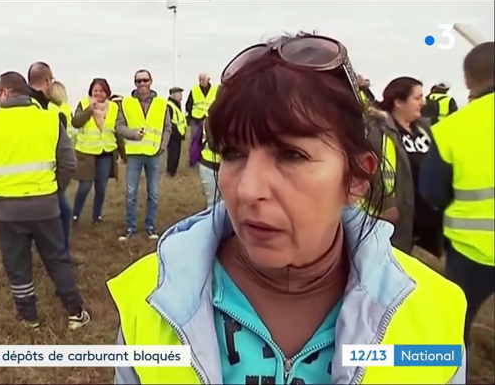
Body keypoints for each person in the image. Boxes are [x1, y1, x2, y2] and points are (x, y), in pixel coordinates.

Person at [107, 33, 466, 384]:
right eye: (232, 153)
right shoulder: (151, 299)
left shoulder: (432, 315)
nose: (248, 190)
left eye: (291, 155)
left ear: (357, 178)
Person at [0, 71, 90, 330]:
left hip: (7, 210)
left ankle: (29, 318)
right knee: (57, 259)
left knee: (17, 264)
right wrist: (54, 192)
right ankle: (75, 312)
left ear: (6, 92)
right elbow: (68, 163)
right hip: (45, 206)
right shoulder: (50, 120)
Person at [420, 41, 494, 344]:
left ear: (467, 81)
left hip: (469, 251)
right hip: (468, 251)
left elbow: (433, 193)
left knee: (455, 332)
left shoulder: (452, 129)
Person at [367, 77, 443, 257]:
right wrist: (384, 203)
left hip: (431, 217)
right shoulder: (378, 131)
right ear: (399, 102)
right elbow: (370, 170)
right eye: (417, 98)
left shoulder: (425, 128)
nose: (423, 103)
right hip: (402, 215)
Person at [27, 62, 84, 266]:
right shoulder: (43, 107)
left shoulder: (29, 102)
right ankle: (59, 256)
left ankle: (58, 253)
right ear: (48, 81)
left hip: (36, 170)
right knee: (57, 215)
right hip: (42, 173)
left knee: (58, 214)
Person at [70, 78, 137, 225]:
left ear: (107, 92)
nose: (98, 94)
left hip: (106, 152)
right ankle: (75, 214)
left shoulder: (113, 107)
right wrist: (90, 110)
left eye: (101, 91)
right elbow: (76, 122)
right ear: (91, 91)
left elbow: (117, 131)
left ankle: (97, 216)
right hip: (86, 153)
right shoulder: (83, 103)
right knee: (85, 186)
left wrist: (123, 153)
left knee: (101, 187)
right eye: (95, 91)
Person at [116, 69, 172, 241]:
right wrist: (132, 134)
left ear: (150, 81)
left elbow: (167, 128)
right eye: (138, 81)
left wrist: (162, 147)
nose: (142, 84)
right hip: (134, 154)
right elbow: (119, 127)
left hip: (154, 154)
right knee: (131, 192)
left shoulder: (162, 104)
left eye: (145, 80)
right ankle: (130, 227)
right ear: (135, 83)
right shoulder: (126, 103)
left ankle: (150, 226)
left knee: (153, 193)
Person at [186, 72, 218, 167]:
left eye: (203, 79)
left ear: (208, 79)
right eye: (200, 80)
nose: (201, 82)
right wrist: (191, 116)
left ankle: (206, 160)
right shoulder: (194, 90)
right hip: (197, 119)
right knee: (195, 140)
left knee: (209, 139)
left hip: (210, 119)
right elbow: (189, 104)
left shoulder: (215, 90)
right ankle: (193, 161)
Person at [198, 117, 221, 208]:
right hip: (209, 166)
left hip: (226, 167)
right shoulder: (211, 121)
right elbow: (213, 145)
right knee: (213, 204)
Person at [166, 86, 187, 177]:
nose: (181, 96)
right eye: (179, 94)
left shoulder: (176, 105)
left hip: (178, 134)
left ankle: (173, 171)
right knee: (173, 153)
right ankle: (171, 172)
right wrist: (176, 132)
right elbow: (169, 121)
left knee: (176, 153)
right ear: (173, 95)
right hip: (173, 134)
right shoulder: (169, 105)